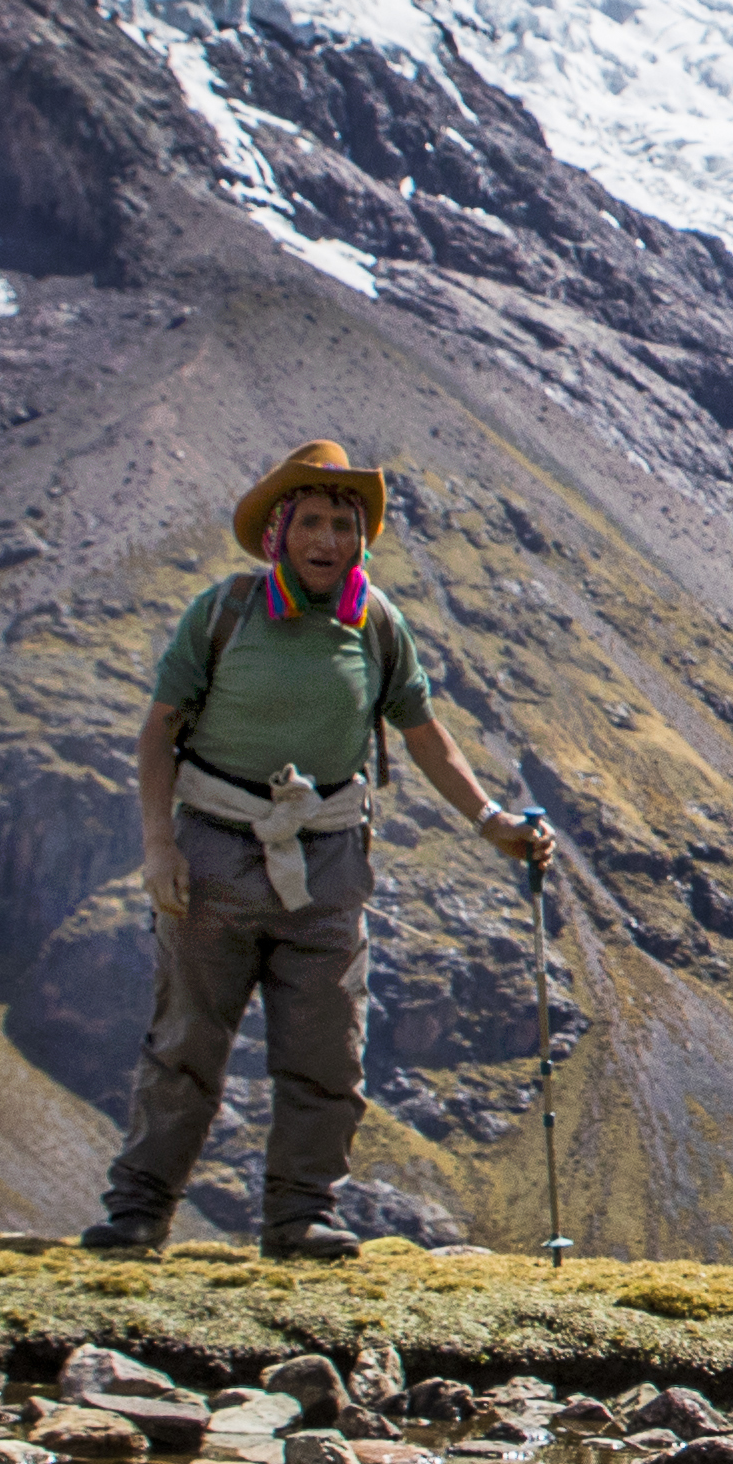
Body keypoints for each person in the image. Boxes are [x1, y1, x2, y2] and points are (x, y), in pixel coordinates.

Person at [85, 441, 552, 1260]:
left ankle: (301, 1221)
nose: (328, 540)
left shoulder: (375, 626)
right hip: (212, 855)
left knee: (325, 1052)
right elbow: (159, 731)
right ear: (280, 532)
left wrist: (491, 822)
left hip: (329, 864)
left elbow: (426, 736)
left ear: (360, 541)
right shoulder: (224, 613)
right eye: (311, 522)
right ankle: (137, 1218)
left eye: (344, 524)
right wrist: (158, 847)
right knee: (186, 1044)